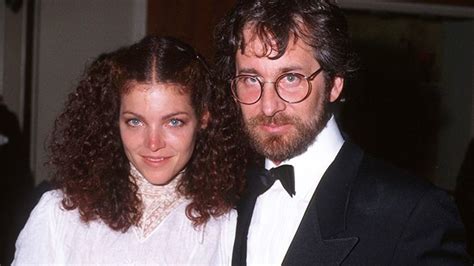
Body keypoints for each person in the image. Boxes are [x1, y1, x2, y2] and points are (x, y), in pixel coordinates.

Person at [214, 0, 471, 265]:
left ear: (335, 84)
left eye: (291, 78)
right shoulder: (223, 194)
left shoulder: (412, 213)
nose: (268, 106)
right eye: (250, 79)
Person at [13, 36, 246, 264]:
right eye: (136, 122)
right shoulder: (60, 214)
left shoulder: (224, 226)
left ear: (203, 119)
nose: (153, 143)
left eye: (174, 122)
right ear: (115, 120)